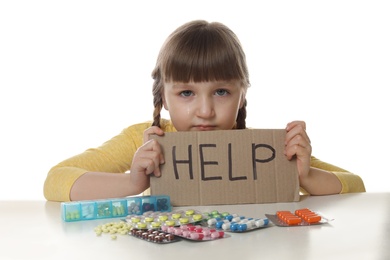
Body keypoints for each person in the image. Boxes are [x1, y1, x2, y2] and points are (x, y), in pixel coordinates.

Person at [43, 20, 365, 202]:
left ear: (242, 96)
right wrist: (132, 183)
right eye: (186, 93)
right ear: (164, 98)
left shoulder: (264, 150)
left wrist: (305, 175)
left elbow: (356, 185)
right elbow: (56, 181)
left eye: (221, 92)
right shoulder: (143, 143)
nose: (205, 111)